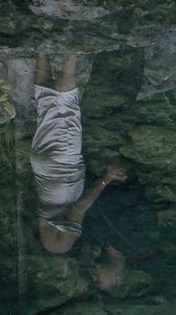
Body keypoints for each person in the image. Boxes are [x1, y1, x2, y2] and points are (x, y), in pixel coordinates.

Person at [29, 53, 126, 287]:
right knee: (46, 107)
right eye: (97, 279)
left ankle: (71, 46)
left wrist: (106, 179)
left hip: (63, 170)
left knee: (66, 107)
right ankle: (41, 47)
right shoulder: (48, 240)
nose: (92, 275)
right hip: (42, 170)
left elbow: (79, 207)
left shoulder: (61, 245)